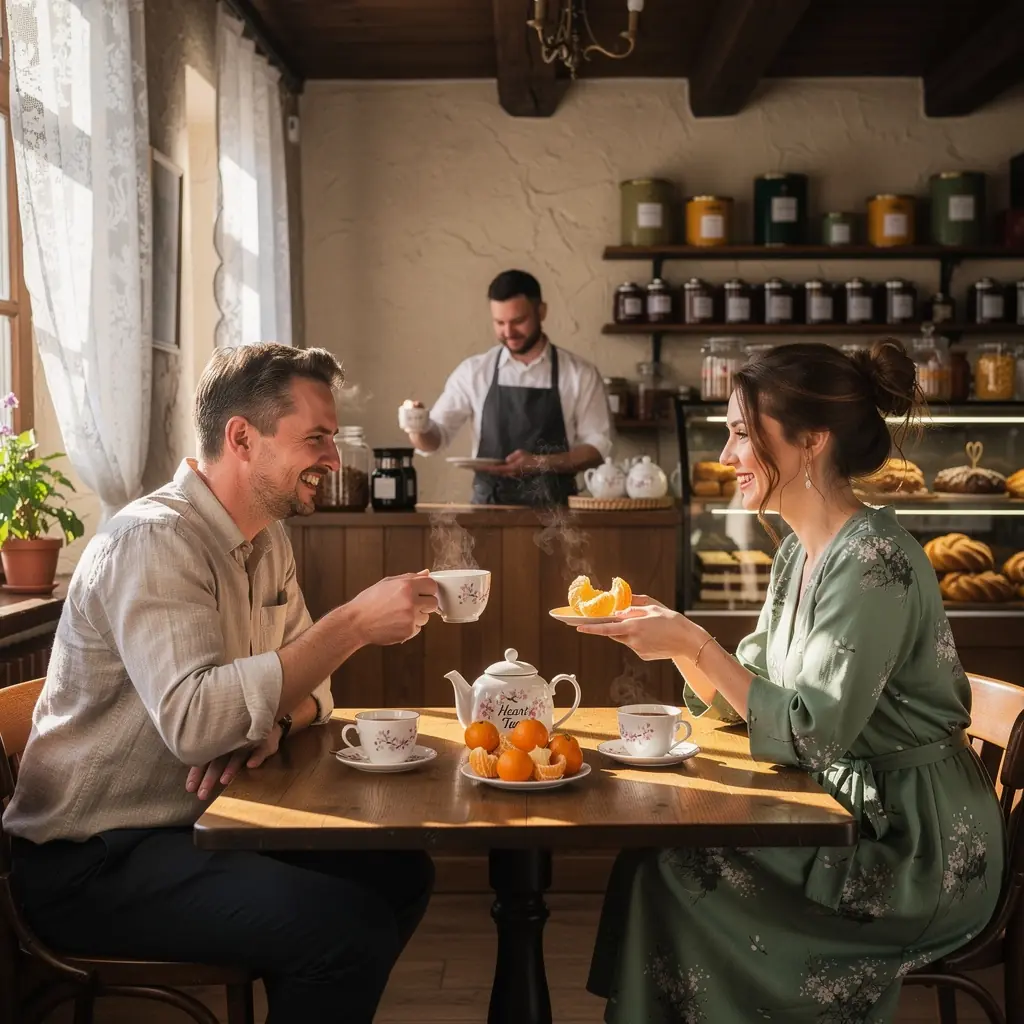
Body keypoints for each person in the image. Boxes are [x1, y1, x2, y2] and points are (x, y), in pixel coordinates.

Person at [4, 344, 439, 1024]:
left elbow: (312, 694)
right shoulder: (152, 542)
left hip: (196, 827)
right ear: (242, 437)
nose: (333, 459)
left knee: (401, 873)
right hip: (93, 862)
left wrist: (271, 721)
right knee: (344, 931)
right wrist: (352, 624)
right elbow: (202, 726)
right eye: (316, 439)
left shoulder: (265, 539)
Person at [578, 340, 1004, 1023]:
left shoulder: (871, 564)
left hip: (912, 846)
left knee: (675, 874)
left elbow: (808, 732)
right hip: (847, 810)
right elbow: (752, 692)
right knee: (650, 861)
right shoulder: (799, 556)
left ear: (811, 441)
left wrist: (693, 642)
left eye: (743, 433)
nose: (724, 456)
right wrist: (670, 637)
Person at [401, 269, 611, 506]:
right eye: (500, 323)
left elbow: (596, 449)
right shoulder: (474, 372)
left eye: (518, 321)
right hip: (488, 513)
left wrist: (539, 463)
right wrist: (417, 427)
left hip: (557, 516)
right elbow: (435, 440)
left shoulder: (579, 374)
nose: (508, 333)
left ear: (541, 312)